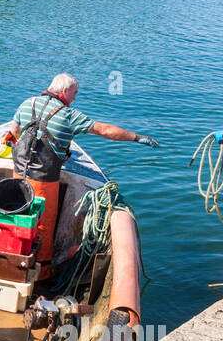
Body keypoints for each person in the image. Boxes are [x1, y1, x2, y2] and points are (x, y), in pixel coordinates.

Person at [9, 73, 159, 269]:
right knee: (42, 225)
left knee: (19, 217)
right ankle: (42, 270)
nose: (75, 98)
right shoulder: (68, 116)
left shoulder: (28, 103)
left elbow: (15, 132)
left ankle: (12, 258)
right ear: (65, 91)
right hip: (44, 180)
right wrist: (136, 137)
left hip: (18, 173)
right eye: (75, 93)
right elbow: (104, 130)